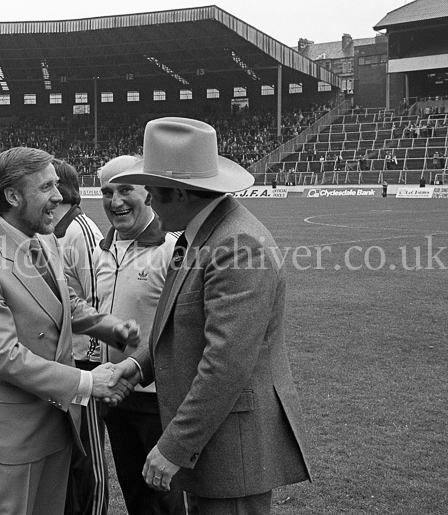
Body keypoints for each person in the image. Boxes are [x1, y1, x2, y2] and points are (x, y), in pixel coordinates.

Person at [109, 118, 311, 515]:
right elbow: (181, 326)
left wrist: (174, 445)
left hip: (232, 450)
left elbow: (226, 363)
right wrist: (138, 366)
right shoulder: (200, 235)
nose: (148, 201)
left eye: (153, 192)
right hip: (217, 443)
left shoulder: (238, 245)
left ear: (180, 193)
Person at [0, 146, 140, 515]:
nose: (59, 196)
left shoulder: (46, 239)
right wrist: (87, 382)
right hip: (15, 435)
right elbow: (4, 356)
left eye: (56, 184)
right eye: (46, 187)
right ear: (13, 196)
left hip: (57, 424)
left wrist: (111, 328)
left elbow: (65, 304)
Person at [93, 155, 186, 515]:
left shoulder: (172, 248)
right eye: (107, 192)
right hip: (114, 394)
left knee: (167, 500)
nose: (115, 201)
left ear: (147, 192)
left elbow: (183, 328)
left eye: (125, 190)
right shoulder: (102, 250)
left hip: (158, 399)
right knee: (136, 496)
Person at [51, 159, 108, 515]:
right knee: (68, 450)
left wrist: (92, 361)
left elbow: (97, 299)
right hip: (62, 359)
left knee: (87, 453)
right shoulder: (50, 231)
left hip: (85, 362)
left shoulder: (80, 232)